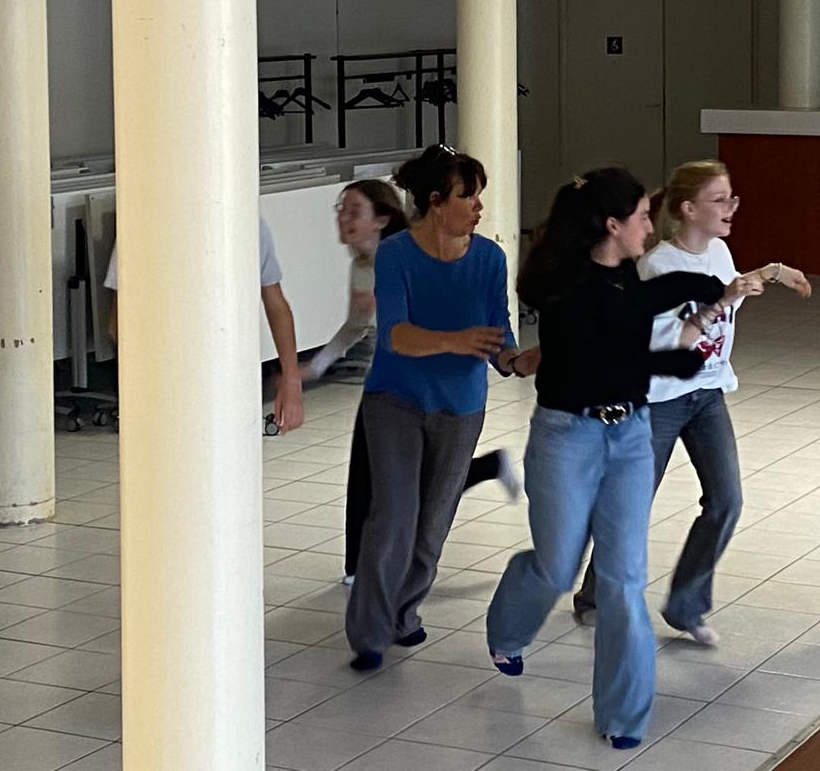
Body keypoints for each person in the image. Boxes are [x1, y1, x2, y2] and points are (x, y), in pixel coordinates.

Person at [485, 167, 762, 751]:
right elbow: (599, 359)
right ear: (612, 225)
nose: (648, 225)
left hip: (631, 436)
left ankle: (624, 715)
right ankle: (508, 630)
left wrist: (716, 288)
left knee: (623, 579)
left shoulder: (627, 278)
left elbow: (651, 298)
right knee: (558, 566)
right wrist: (671, 361)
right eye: (639, 216)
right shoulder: (567, 291)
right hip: (568, 436)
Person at [571, 160, 811, 645]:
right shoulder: (657, 266)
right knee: (632, 503)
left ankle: (686, 606)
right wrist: (721, 300)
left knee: (726, 501)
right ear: (688, 209)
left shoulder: (719, 251)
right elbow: (659, 337)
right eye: (719, 200)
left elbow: (728, 292)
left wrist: (770, 273)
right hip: (659, 398)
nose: (730, 208)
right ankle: (595, 595)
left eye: (732, 198)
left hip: (707, 395)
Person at [345, 145, 529, 672]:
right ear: (435, 201)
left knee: (430, 529)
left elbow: (498, 334)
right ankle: (369, 634)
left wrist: (517, 360)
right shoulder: (397, 254)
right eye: (468, 196)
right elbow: (396, 334)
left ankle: (403, 615)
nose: (478, 207)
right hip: (395, 400)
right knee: (392, 519)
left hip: (461, 407)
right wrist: (457, 340)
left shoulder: (490, 258)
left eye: (479, 196)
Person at [307, 179, 519, 588]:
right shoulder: (362, 265)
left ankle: (488, 467)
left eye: (354, 210)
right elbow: (357, 325)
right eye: (341, 208)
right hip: (386, 391)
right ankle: (358, 568)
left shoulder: (407, 256)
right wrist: (316, 366)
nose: (343, 218)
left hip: (431, 390)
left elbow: (429, 323)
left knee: (427, 486)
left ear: (380, 219)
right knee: (372, 478)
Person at [104, 215, 305, 430]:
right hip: (166, 379)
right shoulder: (141, 221)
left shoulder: (249, 224)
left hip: (221, 376)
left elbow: (276, 307)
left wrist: (291, 379)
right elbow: (119, 319)